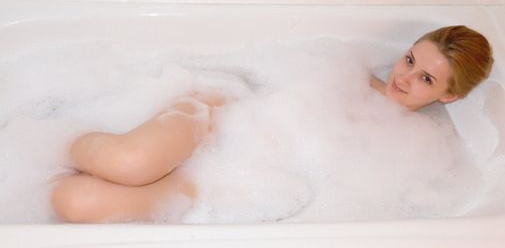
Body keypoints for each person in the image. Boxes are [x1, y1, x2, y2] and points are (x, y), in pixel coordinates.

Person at [51, 25, 494, 223]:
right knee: (128, 162)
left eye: (426, 79)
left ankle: (58, 163)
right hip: (217, 119)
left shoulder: (420, 151)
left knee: (74, 202)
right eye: (410, 58)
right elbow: (265, 90)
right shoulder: (347, 71)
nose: (404, 76)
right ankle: (54, 137)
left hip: (231, 185)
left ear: (448, 96)